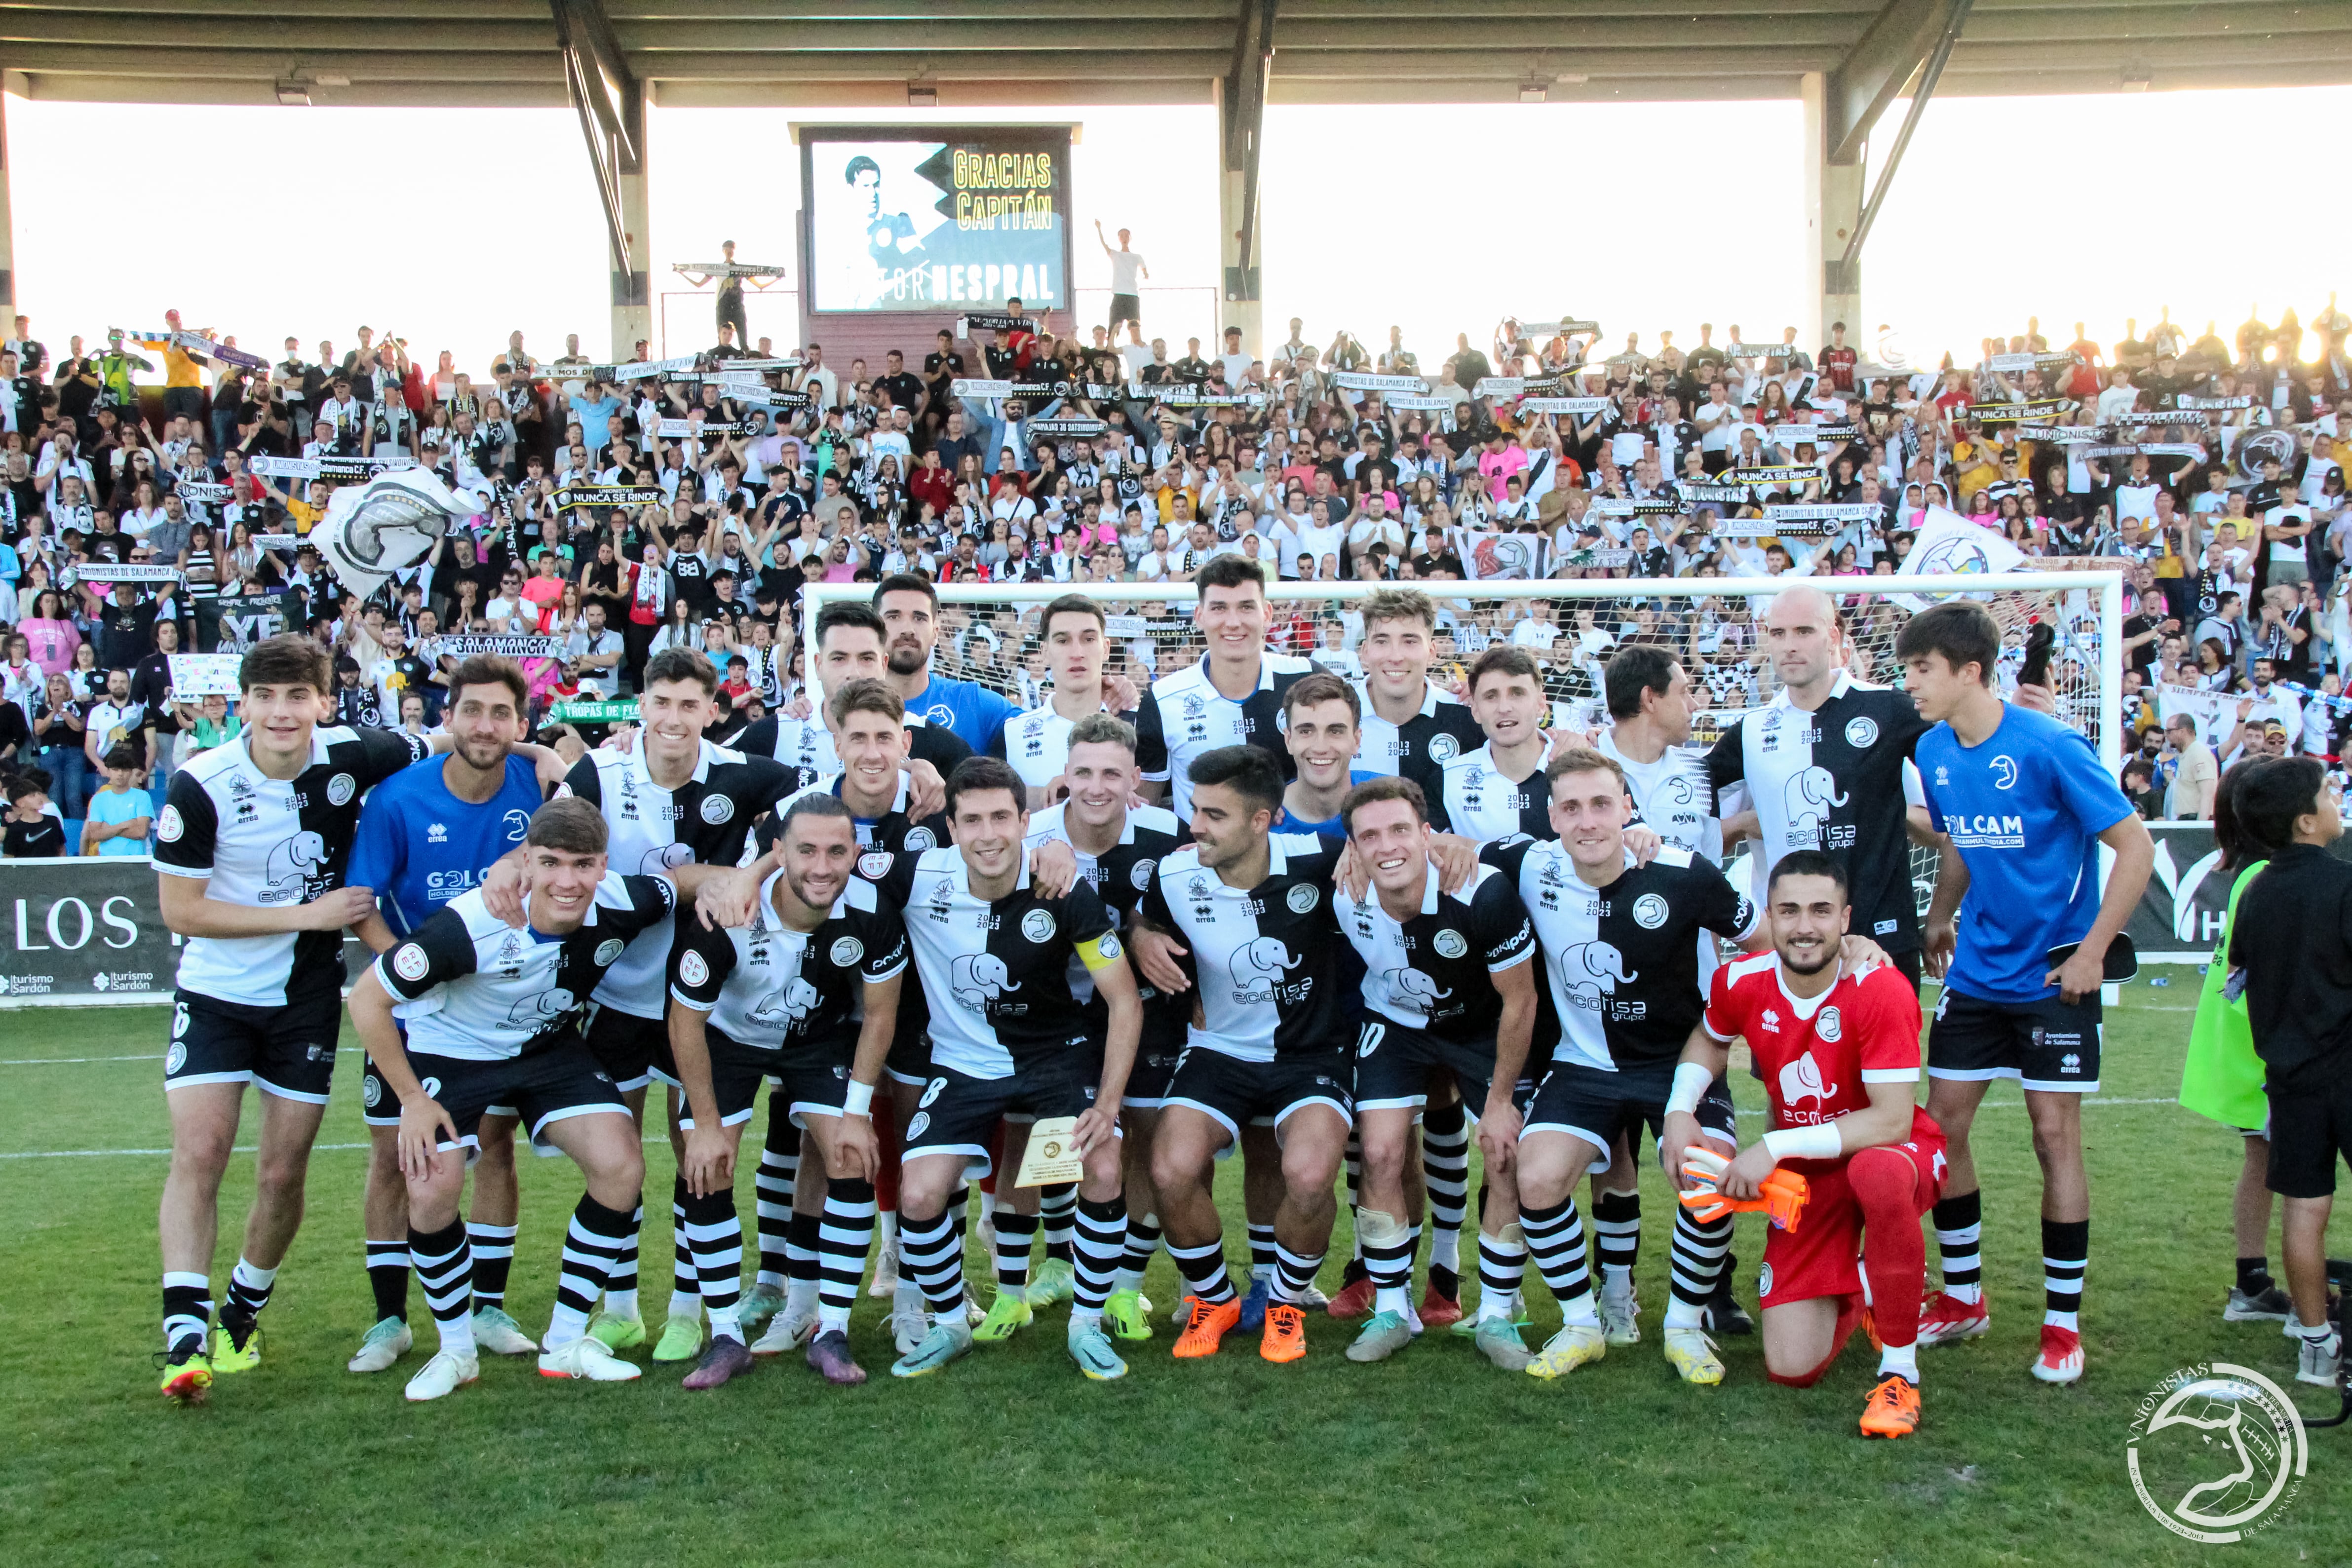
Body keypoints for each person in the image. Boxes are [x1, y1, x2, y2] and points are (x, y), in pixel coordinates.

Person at [152, 635, 432, 1403]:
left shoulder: (350, 756)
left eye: (297, 696)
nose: (282, 712)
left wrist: (544, 757)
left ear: (323, 703)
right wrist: (308, 913)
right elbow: (181, 909)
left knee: (282, 1172)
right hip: (214, 994)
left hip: (304, 1001)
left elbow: (448, 739)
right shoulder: (199, 784)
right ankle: (182, 1328)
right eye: (266, 696)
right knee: (202, 1151)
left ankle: (242, 1308)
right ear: (241, 704)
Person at [348, 799, 679, 1399]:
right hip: (451, 1050)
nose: (567, 881)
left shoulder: (625, 902)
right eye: (550, 862)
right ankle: (456, 1352)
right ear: (527, 860)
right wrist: (413, 1102)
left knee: (621, 1166)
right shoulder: (469, 924)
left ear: (603, 866)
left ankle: (565, 1341)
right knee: (431, 1187)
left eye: (583, 865)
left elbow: (681, 883)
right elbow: (366, 1001)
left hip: (548, 1050)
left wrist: (748, 876)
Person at [1904, 601, 2154, 1384]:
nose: (1910, 683)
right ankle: (1965, 1296)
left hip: (2051, 974)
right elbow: (1960, 843)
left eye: (1922, 670)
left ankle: (2060, 1324)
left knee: (2054, 1136)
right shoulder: (1933, 749)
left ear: (1969, 671)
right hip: (1976, 973)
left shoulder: (2050, 745)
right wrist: (1939, 918)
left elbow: (2134, 844)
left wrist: (2092, 951)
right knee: (1941, 1130)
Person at [557, 648, 809, 1364]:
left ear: (711, 710)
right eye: (660, 702)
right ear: (641, 704)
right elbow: (557, 845)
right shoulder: (596, 774)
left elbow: (817, 801)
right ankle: (621, 1307)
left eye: (688, 705)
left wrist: (751, 870)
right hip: (613, 994)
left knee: (695, 1149)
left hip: (696, 999)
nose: (673, 717)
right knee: (619, 1155)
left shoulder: (740, 772)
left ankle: (686, 1309)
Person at [1484, 748, 1762, 1384]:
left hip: (1678, 1065)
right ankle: (1582, 1324)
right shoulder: (1528, 863)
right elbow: (1441, 850)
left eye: (1602, 804)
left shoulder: (1684, 873)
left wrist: (1848, 948)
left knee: (1706, 1179)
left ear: (1628, 808)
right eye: (1572, 807)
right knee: (1537, 1177)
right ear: (1552, 816)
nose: (1587, 821)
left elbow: (1765, 940)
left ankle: (1684, 1328)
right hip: (1582, 1066)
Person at [869, 757, 1143, 1381]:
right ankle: (949, 1325)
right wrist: (757, 870)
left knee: (1100, 1166)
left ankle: (1087, 1325)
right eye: (972, 821)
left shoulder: (1063, 887)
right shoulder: (915, 875)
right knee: (917, 1193)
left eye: (1001, 818)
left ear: (1025, 822)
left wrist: (1106, 1105)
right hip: (963, 1063)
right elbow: (821, 863)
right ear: (952, 827)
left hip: (1055, 1058)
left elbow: (1123, 999)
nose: (988, 835)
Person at [1664, 851, 1946, 1438]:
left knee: (1877, 1175)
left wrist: (1773, 1144)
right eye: (1789, 910)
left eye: (1821, 910)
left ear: (1846, 918)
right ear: (1769, 915)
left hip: (1892, 1151)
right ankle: (1866, 1283)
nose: (1804, 926)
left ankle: (1900, 1374)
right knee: (1790, 1368)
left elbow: (1892, 1119)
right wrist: (1677, 1111)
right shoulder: (1740, 980)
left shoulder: (1880, 988)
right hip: (1810, 1174)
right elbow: (1708, 1040)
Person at [340, 656, 548, 1376]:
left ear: (520, 725)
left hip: (497, 1012)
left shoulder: (537, 784)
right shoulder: (398, 799)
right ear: (449, 719)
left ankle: (486, 1308)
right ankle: (389, 1320)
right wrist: (409, 975)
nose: (485, 726)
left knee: (493, 1144)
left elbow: (582, 771)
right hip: (411, 1008)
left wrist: (550, 752)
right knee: (397, 1157)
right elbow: (363, 905)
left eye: (501, 714)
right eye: (472, 712)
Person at [665, 792, 907, 1388]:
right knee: (707, 1163)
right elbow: (685, 1021)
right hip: (729, 1040)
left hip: (816, 1040)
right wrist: (704, 1123)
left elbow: (879, 1015)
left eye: (835, 851)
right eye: (805, 851)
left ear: (855, 852)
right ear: (778, 853)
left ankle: (831, 1331)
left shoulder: (871, 909)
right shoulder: (728, 913)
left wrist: (855, 1112)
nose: (821, 867)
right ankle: (724, 1336)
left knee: (852, 1157)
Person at [1136, 745, 1352, 1363]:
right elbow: (1140, 918)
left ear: (1263, 820)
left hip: (1309, 1053)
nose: (1195, 826)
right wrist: (1142, 938)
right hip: (1219, 1052)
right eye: (1193, 809)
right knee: (1171, 1171)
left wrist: (1441, 846)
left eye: (1214, 815)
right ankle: (1214, 1298)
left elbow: (1403, 850)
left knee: (1310, 1178)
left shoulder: (1323, 858)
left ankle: (1284, 1304)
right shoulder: (1174, 874)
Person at [1333, 776, 1540, 1368]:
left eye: (1400, 829)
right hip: (1396, 1025)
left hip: (1481, 1025)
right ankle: (1393, 1309)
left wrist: (1501, 1101)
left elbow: (1520, 1002)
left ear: (1429, 835)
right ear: (1353, 848)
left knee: (1505, 1152)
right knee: (1376, 1154)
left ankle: (1498, 1314)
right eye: (1368, 836)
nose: (1386, 846)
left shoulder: (1481, 891)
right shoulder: (1344, 891)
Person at [1020, 713, 1185, 1343]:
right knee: (1040, 1139)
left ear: (1134, 779)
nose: (1096, 786)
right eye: (1083, 771)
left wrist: (1142, 931)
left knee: (1141, 1134)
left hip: (1138, 1006)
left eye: (1111, 773)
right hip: (1048, 1012)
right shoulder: (1029, 835)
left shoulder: (1166, 834)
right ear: (1065, 775)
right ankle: (1056, 1261)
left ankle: (1125, 1285)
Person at [1705, 585, 1935, 988]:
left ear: (1833, 636)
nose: (1789, 646)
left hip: (1882, 938)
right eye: (1778, 634)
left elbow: (1962, 766)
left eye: (1803, 631)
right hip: (1794, 945)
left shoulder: (1890, 709)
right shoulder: (1754, 729)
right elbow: (1686, 785)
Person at [2227, 758, 2352, 1389]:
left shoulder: (2255, 891)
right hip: (2346, 1072)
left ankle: (2316, 1345)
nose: (2337, 801)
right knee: (2307, 1210)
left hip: (2289, 1077)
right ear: (2307, 821)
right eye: (2328, 793)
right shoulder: (2343, 884)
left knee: (2305, 1209)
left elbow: (2242, 974)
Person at [2178, 760, 2297, 1324]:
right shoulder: (2266, 877)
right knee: (2294, 1165)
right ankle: (2294, 1295)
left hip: (2245, 1041)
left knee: (2266, 1159)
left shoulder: (2250, 871)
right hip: (2264, 1046)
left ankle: (2252, 1283)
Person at [1133, 556, 1321, 824]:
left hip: (1297, 858)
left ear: (1267, 614)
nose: (1233, 622)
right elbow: (1145, 810)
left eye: (1246, 607)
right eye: (1219, 608)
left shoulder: (1307, 677)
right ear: (1199, 616)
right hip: (1202, 860)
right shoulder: (1164, 699)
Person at [989, 594, 1134, 806]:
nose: (1077, 653)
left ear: (1107, 649)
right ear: (1044, 652)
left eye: (1089, 639)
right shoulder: (1012, 734)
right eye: (1063, 641)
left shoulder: (1139, 726)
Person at [80, 743, 153, 856]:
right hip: (106, 861)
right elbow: (95, 835)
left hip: (136, 861)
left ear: (130, 772)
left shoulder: (142, 797)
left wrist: (108, 829)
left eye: (124, 770)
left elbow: (141, 832)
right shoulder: (98, 799)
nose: (120, 774)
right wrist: (126, 825)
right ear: (108, 771)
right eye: (115, 769)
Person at [1095, 221, 1148, 336]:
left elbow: (1144, 269)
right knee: (1114, 326)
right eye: (1122, 236)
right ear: (1119, 238)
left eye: (1126, 236)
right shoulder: (1116, 255)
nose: (1124, 238)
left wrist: (1146, 274)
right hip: (1119, 294)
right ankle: (1110, 349)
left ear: (1130, 238)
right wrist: (1099, 229)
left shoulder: (1136, 257)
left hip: (1132, 295)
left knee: (1135, 327)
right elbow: (1104, 244)